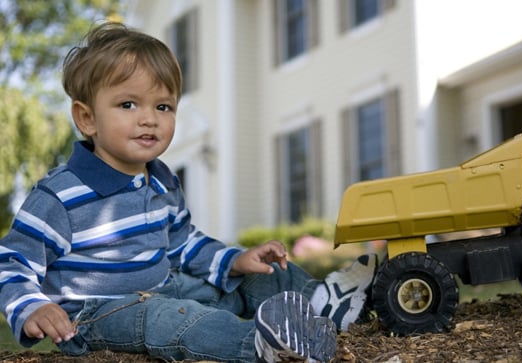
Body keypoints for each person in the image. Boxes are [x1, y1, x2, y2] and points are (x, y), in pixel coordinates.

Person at [0, 21, 378, 363]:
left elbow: (183, 243)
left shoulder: (162, 179)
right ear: (86, 118)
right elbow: (11, 262)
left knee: (260, 274)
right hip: (98, 314)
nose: (149, 118)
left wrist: (233, 261)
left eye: (163, 106)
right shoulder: (59, 194)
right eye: (128, 104)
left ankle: (325, 303)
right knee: (173, 319)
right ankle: (259, 346)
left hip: (166, 288)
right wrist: (31, 306)